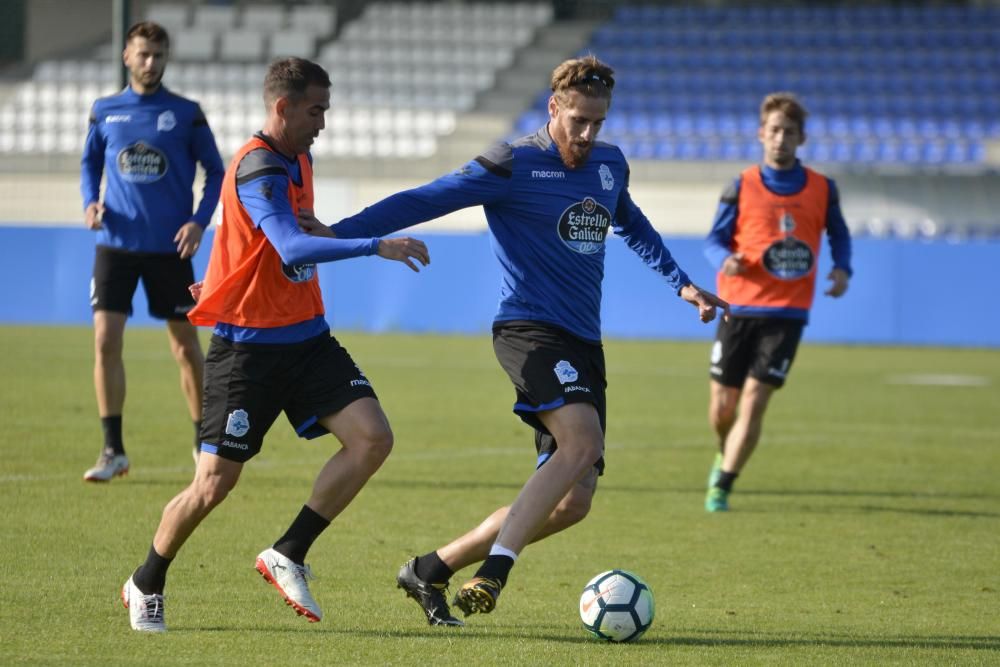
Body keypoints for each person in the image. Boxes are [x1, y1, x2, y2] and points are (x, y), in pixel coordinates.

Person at [321, 55, 728, 625]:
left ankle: (431, 567)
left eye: (598, 123)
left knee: (571, 503)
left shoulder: (610, 165)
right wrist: (337, 236)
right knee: (580, 442)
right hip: (529, 330)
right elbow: (425, 197)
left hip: (584, 339)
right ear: (554, 107)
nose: (587, 135)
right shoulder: (513, 163)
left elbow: (630, 221)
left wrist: (682, 283)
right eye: (578, 120)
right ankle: (495, 572)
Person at [120, 57, 430, 633]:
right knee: (214, 484)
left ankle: (288, 551)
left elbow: (258, 237)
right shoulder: (259, 166)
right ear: (282, 107)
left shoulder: (299, 158)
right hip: (248, 352)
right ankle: (147, 579)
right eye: (315, 111)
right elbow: (287, 245)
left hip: (308, 338)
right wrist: (372, 246)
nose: (322, 123)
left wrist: (221, 278)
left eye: (325, 111)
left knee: (372, 438)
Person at [80, 21, 225, 481]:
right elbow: (90, 161)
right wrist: (89, 200)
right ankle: (112, 450)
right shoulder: (105, 111)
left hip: (170, 250)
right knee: (105, 342)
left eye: (158, 55)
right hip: (116, 246)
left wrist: (199, 222)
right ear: (127, 56)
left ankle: (203, 447)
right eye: (143, 54)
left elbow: (217, 172)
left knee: (185, 349)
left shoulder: (186, 113)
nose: (151, 63)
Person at [702, 92, 852, 512]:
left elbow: (839, 234)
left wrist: (842, 269)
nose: (780, 138)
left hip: (787, 313)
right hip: (737, 307)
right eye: (774, 130)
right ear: (761, 134)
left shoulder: (824, 188)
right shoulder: (741, 185)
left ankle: (723, 486)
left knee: (754, 400)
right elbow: (714, 240)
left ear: (801, 138)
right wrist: (725, 260)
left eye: (789, 131)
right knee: (722, 408)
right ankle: (723, 448)